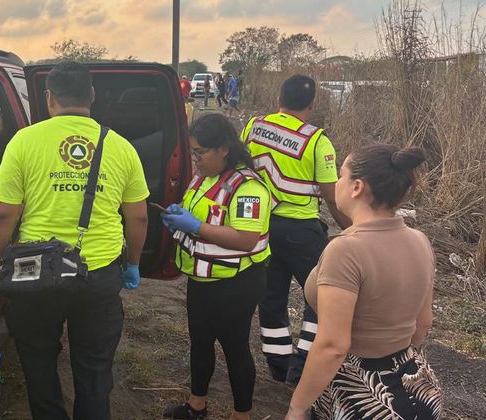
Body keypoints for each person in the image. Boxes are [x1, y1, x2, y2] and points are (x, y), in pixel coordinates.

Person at [0, 61, 149, 419]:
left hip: (35, 273)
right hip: (99, 273)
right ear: (91, 96)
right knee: (93, 370)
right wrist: (133, 264)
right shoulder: (120, 146)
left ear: (48, 98)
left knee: (39, 363)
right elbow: (138, 216)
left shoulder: (24, 141)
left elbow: (2, 215)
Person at [286, 145, 441, 419]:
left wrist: (297, 407)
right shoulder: (421, 241)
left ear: (356, 187)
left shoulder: (345, 250)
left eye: (340, 175)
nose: (336, 182)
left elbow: (333, 346)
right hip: (415, 389)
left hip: (360, 395)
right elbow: (423, 321)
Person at [240, 75, 351, 385]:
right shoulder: (318, 141)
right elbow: (331, 196)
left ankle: (278, 364)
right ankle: (303, 364)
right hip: (302, 230)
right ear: (312, 104)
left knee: (272, 295)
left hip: (262, 225)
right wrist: (354, 230)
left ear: (279, 100)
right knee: (321, 297)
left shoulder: (254, 126)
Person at [161, 114, 271, 420]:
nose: (195, 160)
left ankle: (242, 414)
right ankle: (197, 405)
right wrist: (179, 216)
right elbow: (205, 215)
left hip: (237, 283)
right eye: (192, 152)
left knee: (235, 348)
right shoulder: (205, 177)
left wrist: (195, 225)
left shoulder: (248, 187)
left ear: (223, 149)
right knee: (200, 341)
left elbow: (246, 239)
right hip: (203, 278)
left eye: (199, 153)